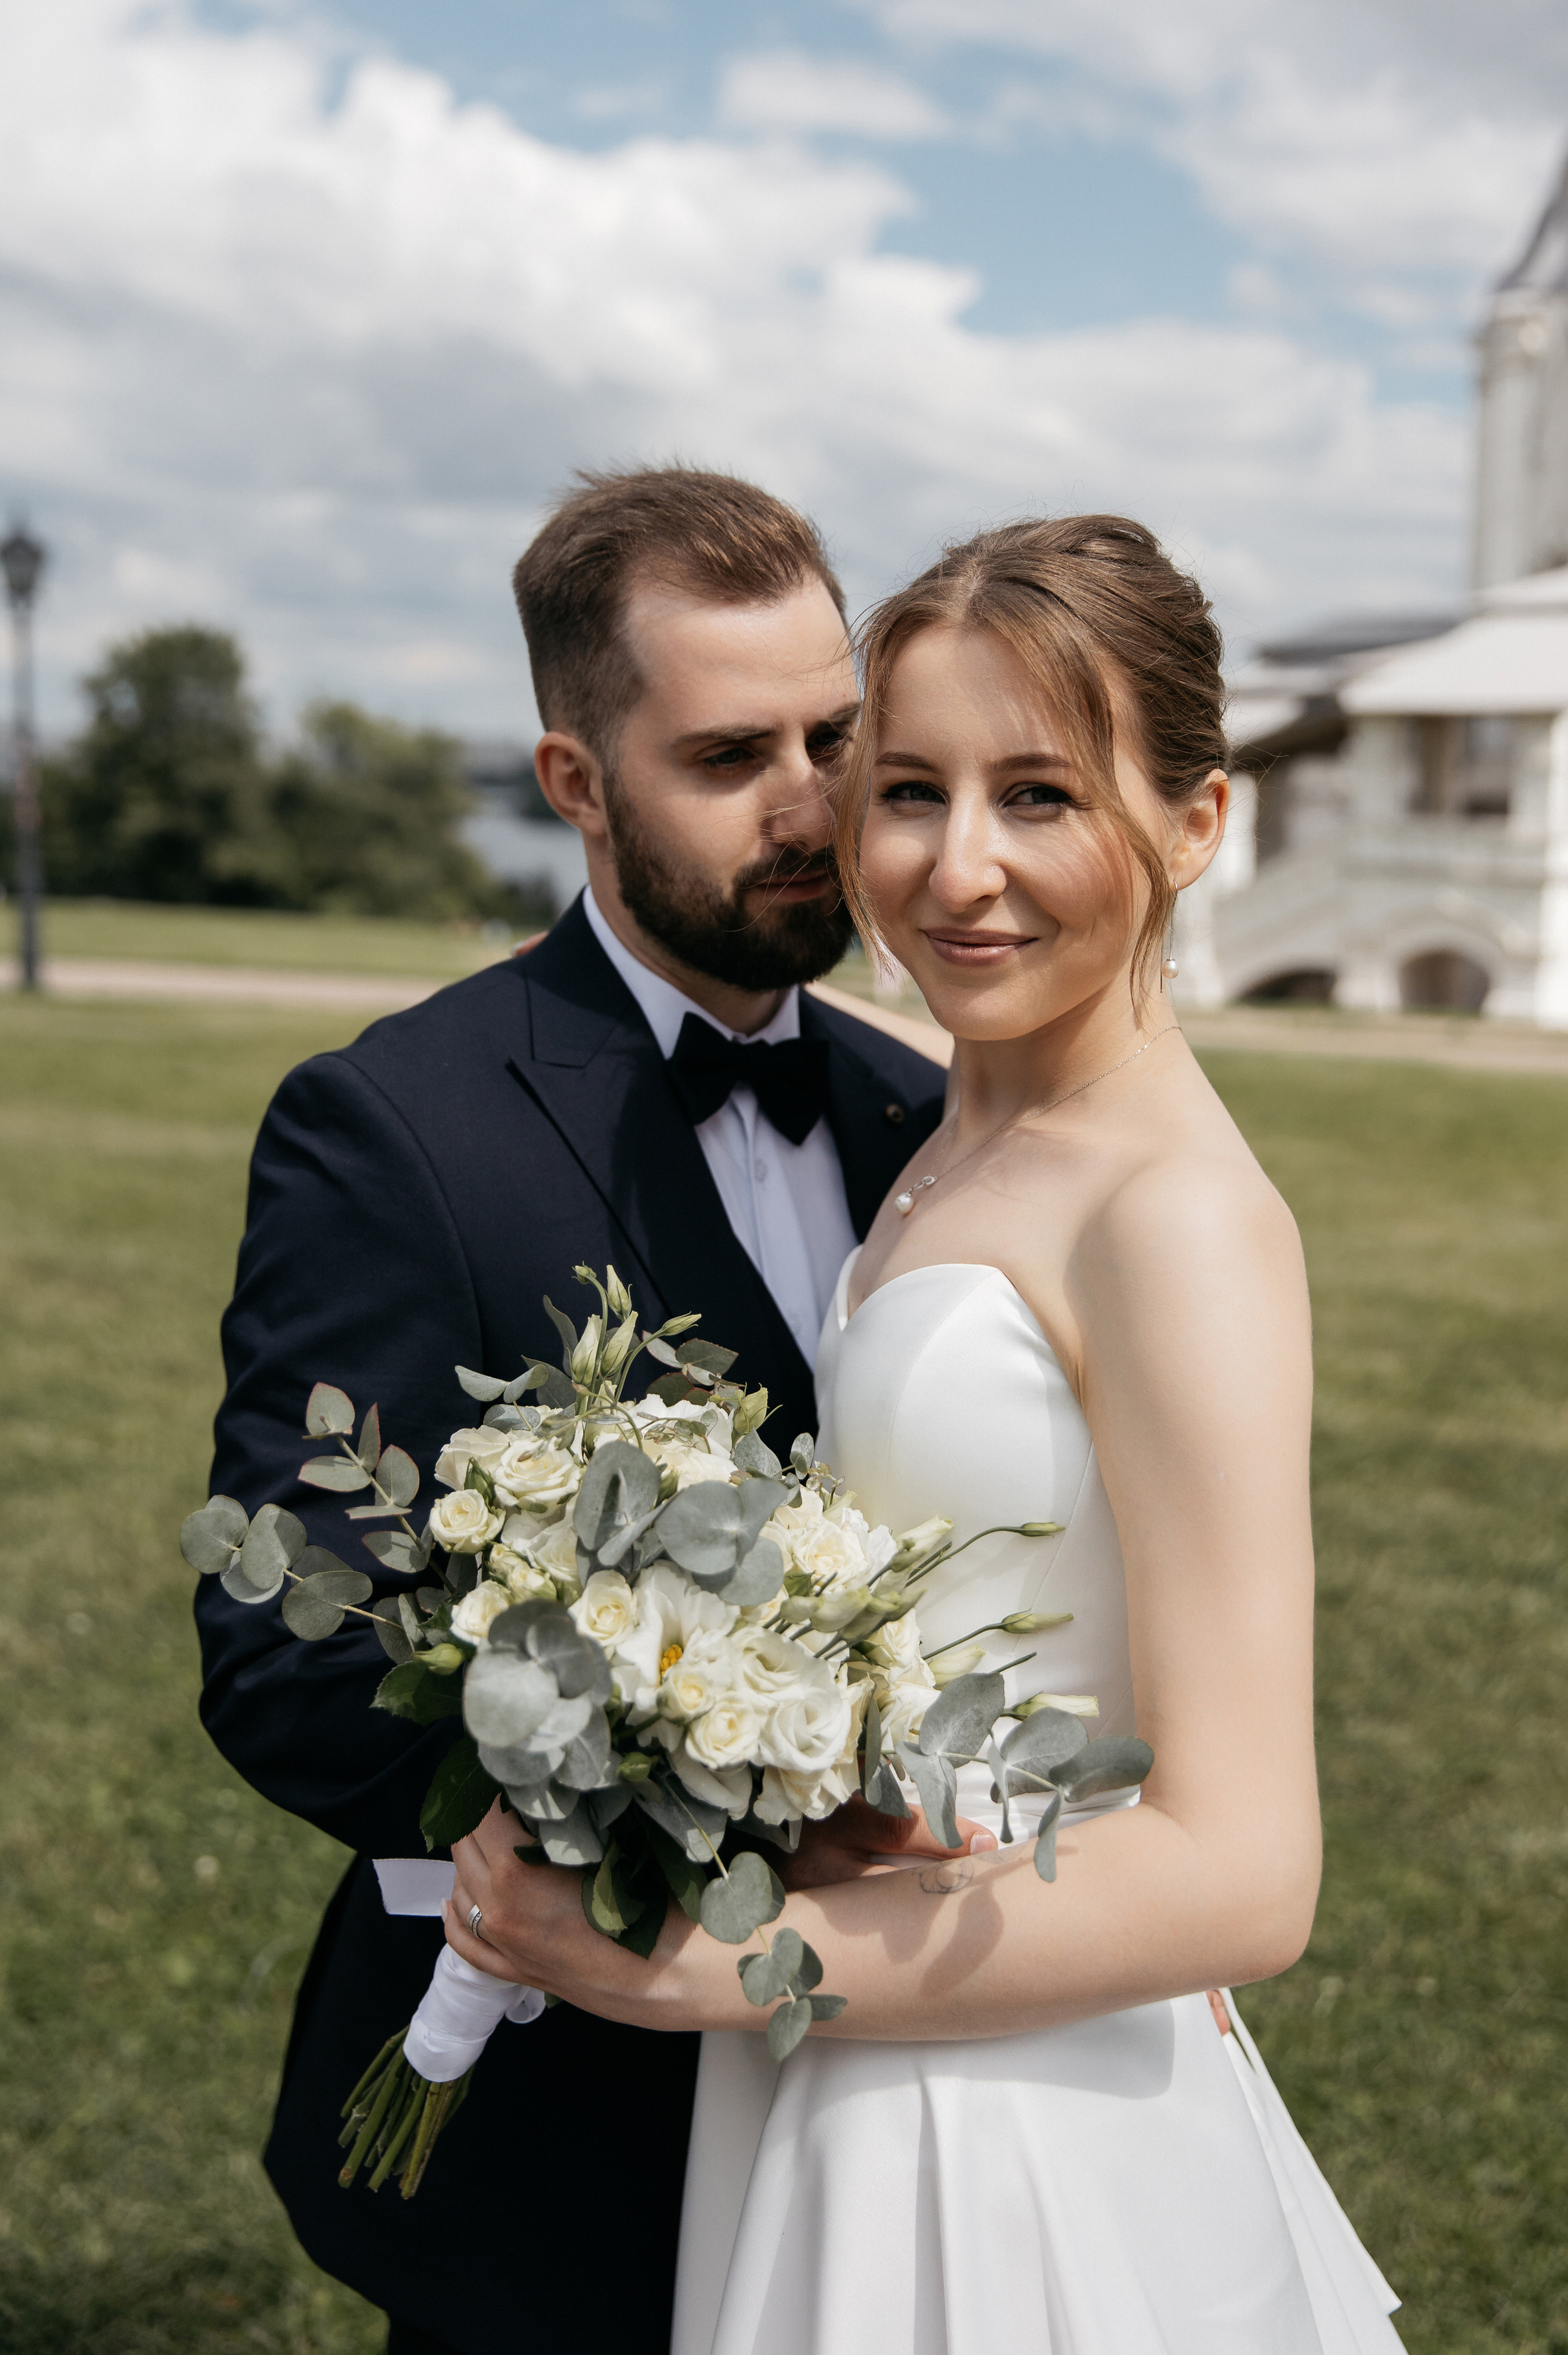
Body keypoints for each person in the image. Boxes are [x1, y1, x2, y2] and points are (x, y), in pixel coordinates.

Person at [444, 515, 1408, 2353]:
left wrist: (697, 1965)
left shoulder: (1171, 1216)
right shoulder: (947, 1144)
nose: (959, 870)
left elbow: (1245, 1868)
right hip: (872, 2030)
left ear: (1197, 822)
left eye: (1040, 795)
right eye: (909, 793)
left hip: (1009, 2101)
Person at [197, 467, 956, 2355]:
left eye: (834, 737)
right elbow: (286, 1655)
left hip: (894, 2072)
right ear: (574, 781)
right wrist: (681, 1772)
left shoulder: (929, 1114)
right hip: (558, 2102)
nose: (811, 804)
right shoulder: (397, 1128)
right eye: (726, 755)